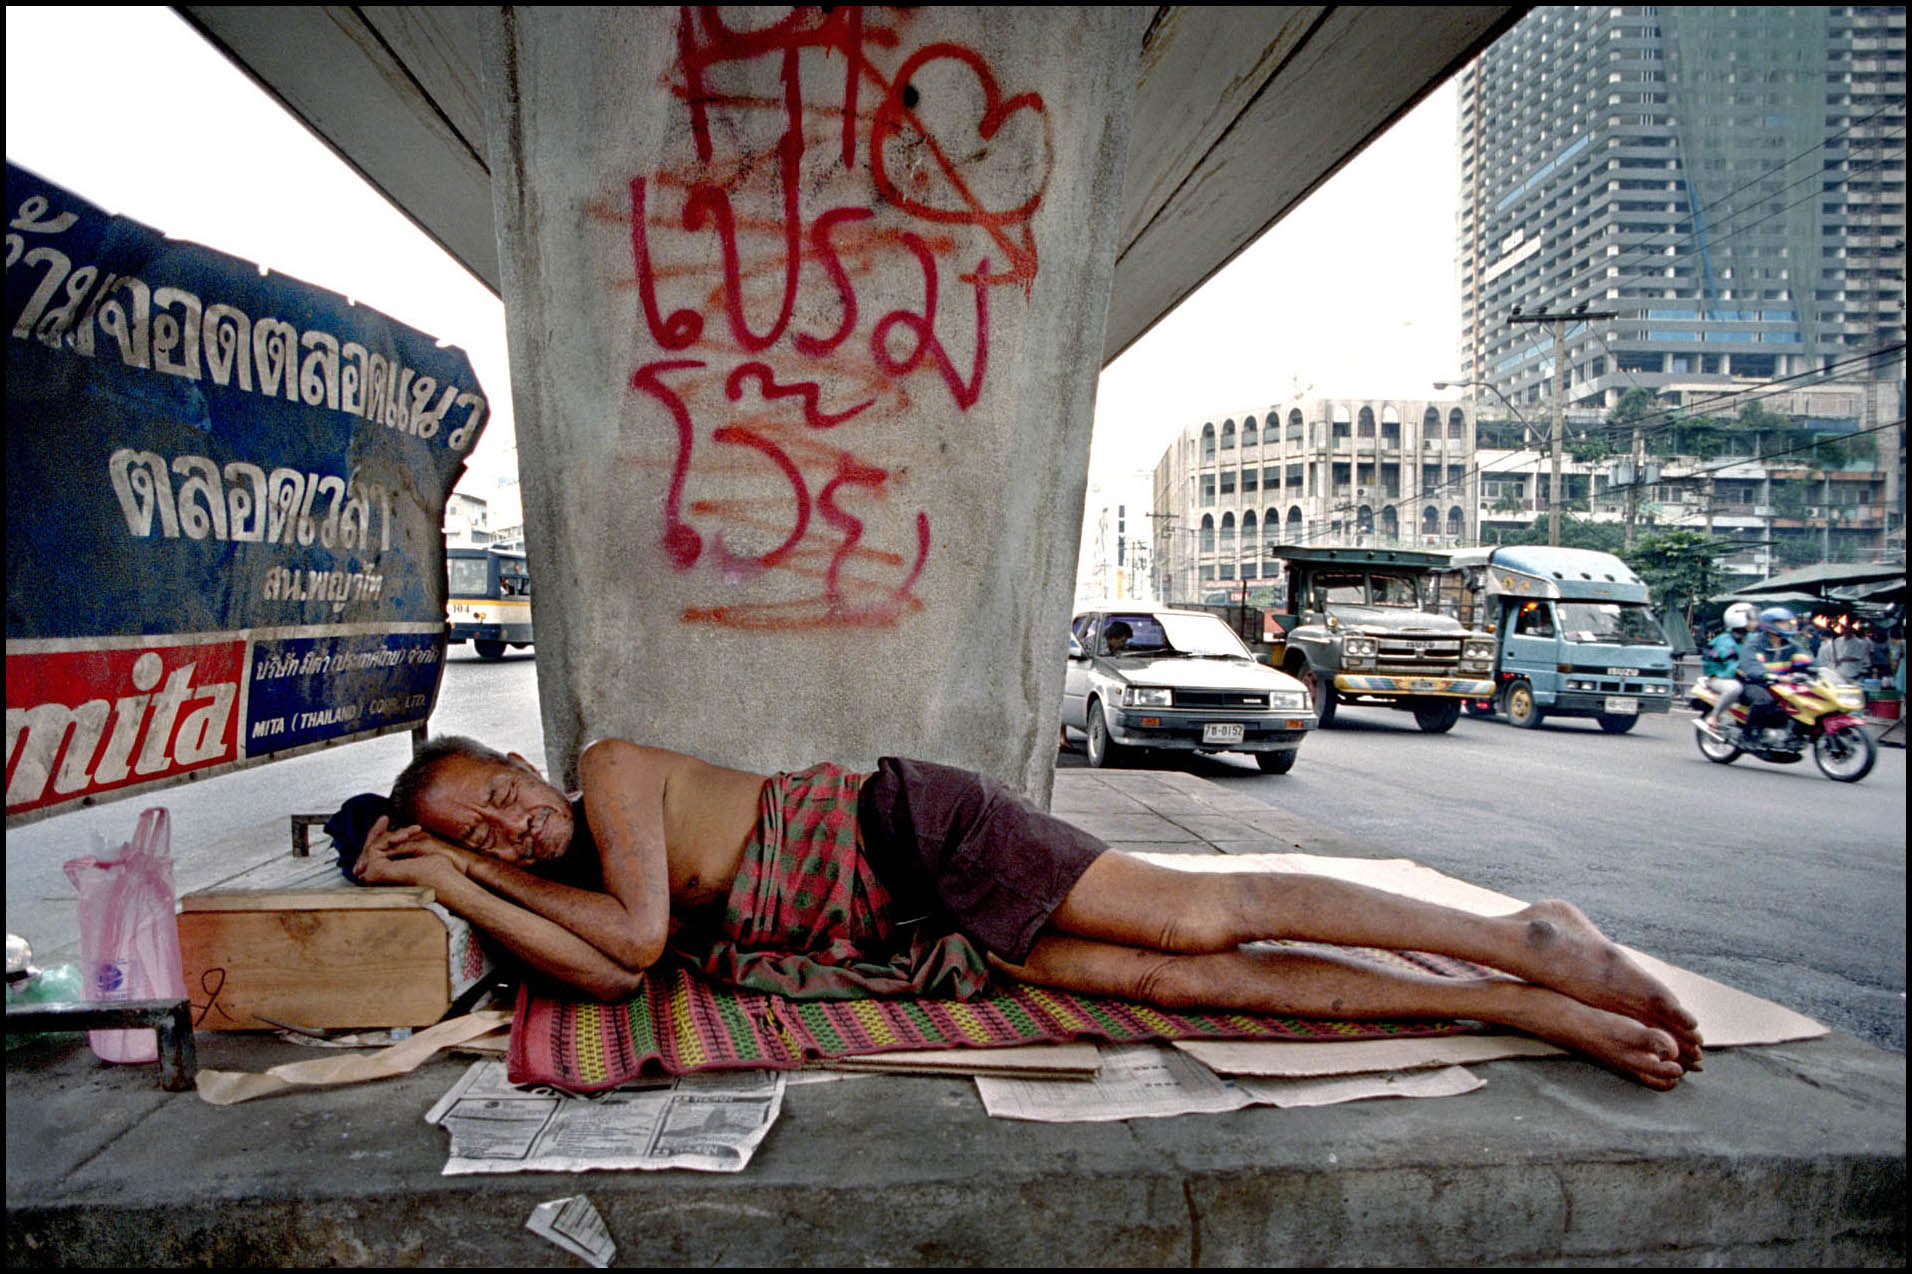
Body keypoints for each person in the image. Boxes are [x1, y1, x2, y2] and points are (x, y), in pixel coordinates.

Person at [350, 736, 1704, 1090]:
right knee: (1172, 986)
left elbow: (639, 949)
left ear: (529, 763)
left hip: (912, 831)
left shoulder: (610, 771)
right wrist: (456, 881)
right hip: (896, 928)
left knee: (1191, 917)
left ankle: (1527, 931)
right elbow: (597, 981)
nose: (514, 821)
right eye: (480, 830)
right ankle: (1510, 1001)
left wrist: (473, 875)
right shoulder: (560, 890)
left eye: (501, 794)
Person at [1734, 605, 1806, 741]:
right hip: (1753, 683)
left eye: (1788, 622)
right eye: (1782, 623)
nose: (1787, 625)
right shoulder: (1754, 644)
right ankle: (1747, 735)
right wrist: (1773, 676)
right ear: (1770, 625)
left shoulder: (1791, 644)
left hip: (1780, 684)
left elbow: (1806, 660)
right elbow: (1751, 667)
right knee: (1764, 701)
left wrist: (1818, 670)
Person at [1698, 602, 1756, 740]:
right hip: (1720, 677)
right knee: (1734, 688)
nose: (1755, 622)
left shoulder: (1751, 638)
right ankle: (1714, 716)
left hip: (1746, 677)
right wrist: (1745, 669)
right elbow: (1732, 665)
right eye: (1751, 618)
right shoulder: (1724, 640)